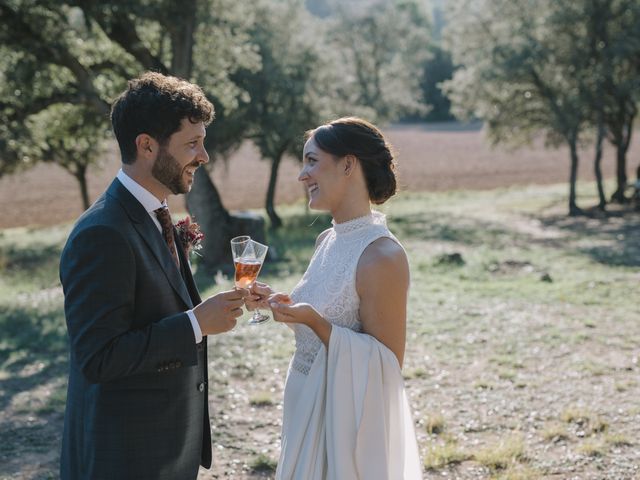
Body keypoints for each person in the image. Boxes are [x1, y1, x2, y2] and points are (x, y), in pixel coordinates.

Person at [59, 72, 247, 479]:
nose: (204, 156)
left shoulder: (156, 215)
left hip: (165, 452)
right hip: (123, 459)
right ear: (146, 145)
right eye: (192, 144)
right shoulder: (102, 234)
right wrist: (197, 322)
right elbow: (98, 358)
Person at [249, 117, 422, 479]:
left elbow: (386, 367)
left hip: (343, 427)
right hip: (302, 401)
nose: (302, 175)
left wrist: (315, 321)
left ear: (348, 164)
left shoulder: (382, 255)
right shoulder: (326, 240)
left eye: (311, 161)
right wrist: (279, 305)